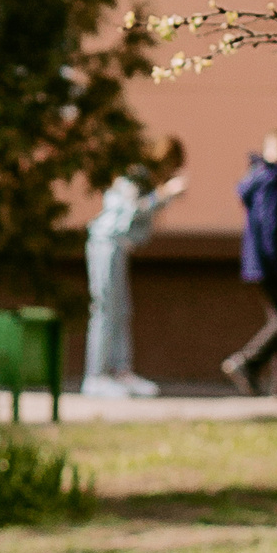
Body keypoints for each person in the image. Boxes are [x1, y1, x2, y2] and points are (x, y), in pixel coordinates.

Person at [221, 128, 277, 397]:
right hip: (275, 264)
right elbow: (272, 225)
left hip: (268, 263)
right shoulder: (271, 180)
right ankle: (246, 363)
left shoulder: (260, 178)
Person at [82, 167, 186, 395]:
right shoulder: (132, 177)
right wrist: (163, 195)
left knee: (121, 310)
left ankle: (121, 372)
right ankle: (96, 377)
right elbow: (131, 211)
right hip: (106, 244)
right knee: (105, 310)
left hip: (118, 247)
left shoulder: (143, 180)